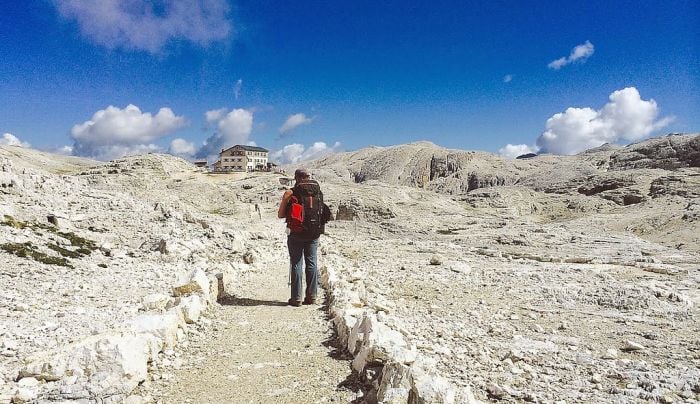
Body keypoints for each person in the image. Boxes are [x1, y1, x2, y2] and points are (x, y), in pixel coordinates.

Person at [277, 168, 329, 307]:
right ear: (309, 177)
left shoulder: (290, 193)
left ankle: (296, 298)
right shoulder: (318, 192)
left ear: (296, 178)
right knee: (312, 263)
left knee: (296, 264)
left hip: (296, 233)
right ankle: (312, 297)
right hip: (314, 233)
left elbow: (281, 215)